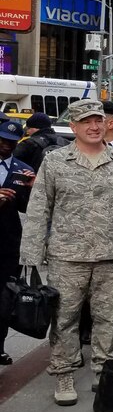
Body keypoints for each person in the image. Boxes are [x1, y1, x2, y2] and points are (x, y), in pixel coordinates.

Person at [20, 100, 113, 404]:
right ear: (74, 127)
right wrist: (31, 253)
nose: (94, 127)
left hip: (112, 255)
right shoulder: (55, 162)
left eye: (99, 121)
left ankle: (104, 371)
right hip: (68, 256)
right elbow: (39, 209)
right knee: (64, 317)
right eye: (87, 122)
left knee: (110, 316)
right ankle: (63, 372)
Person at [0, 120, 35, 365]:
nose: (6, 145)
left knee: (4, 297)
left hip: (7, 242)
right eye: (2, 140)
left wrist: (32, 189)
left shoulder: (21, 169)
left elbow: (29, 207)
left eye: (11, 142)